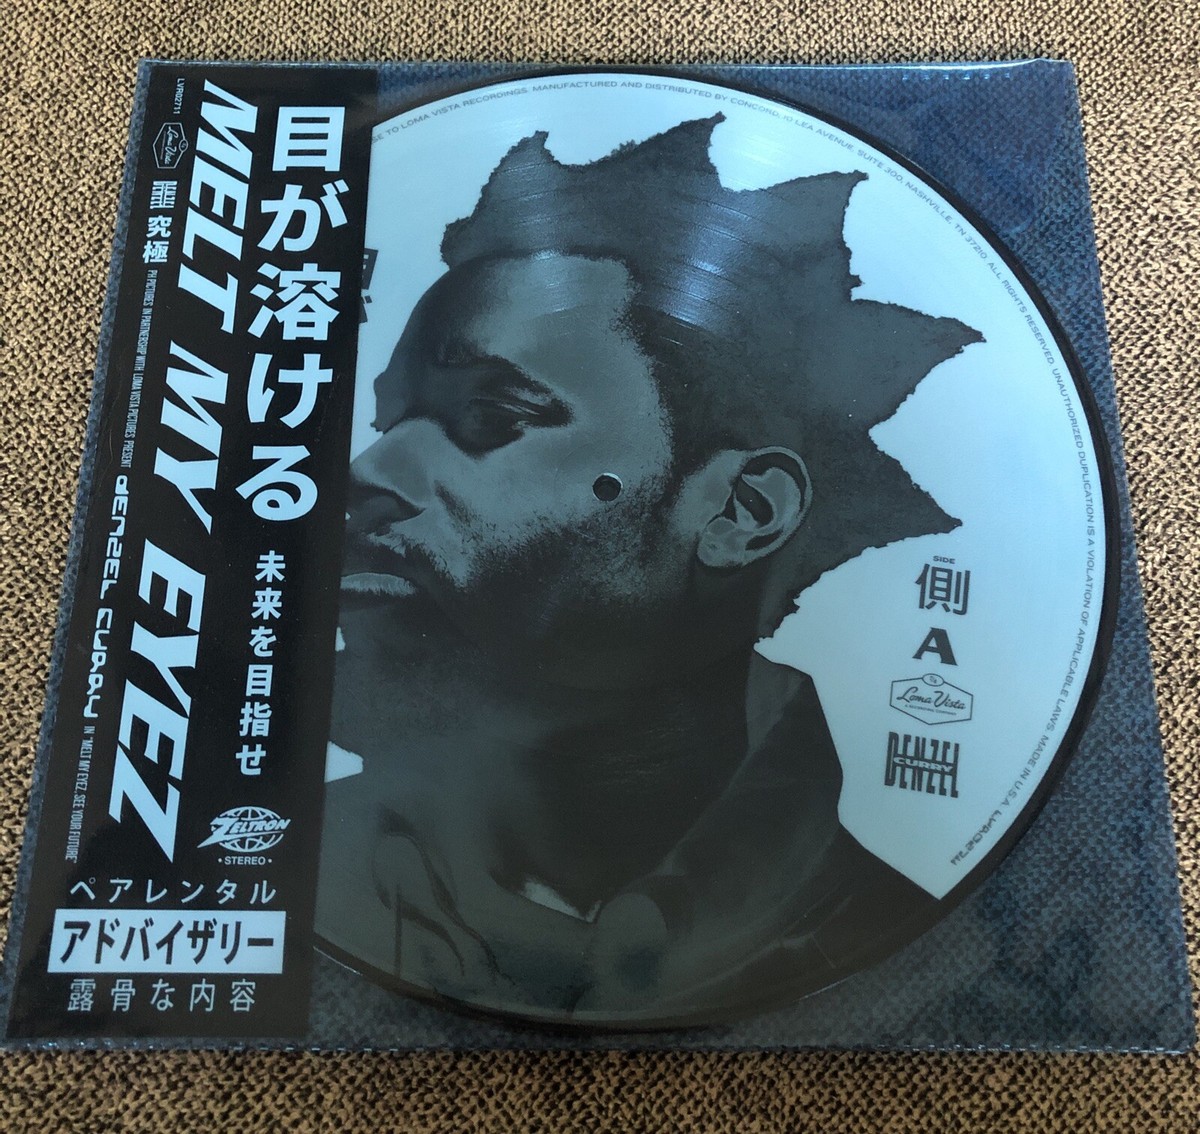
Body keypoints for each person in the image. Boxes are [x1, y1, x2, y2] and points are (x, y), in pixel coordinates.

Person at [315, 114, 981, 1026]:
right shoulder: (258, 877)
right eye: (395, 418)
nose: (369, 472)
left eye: (495, 414)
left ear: (741, 513)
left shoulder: (940, 959)